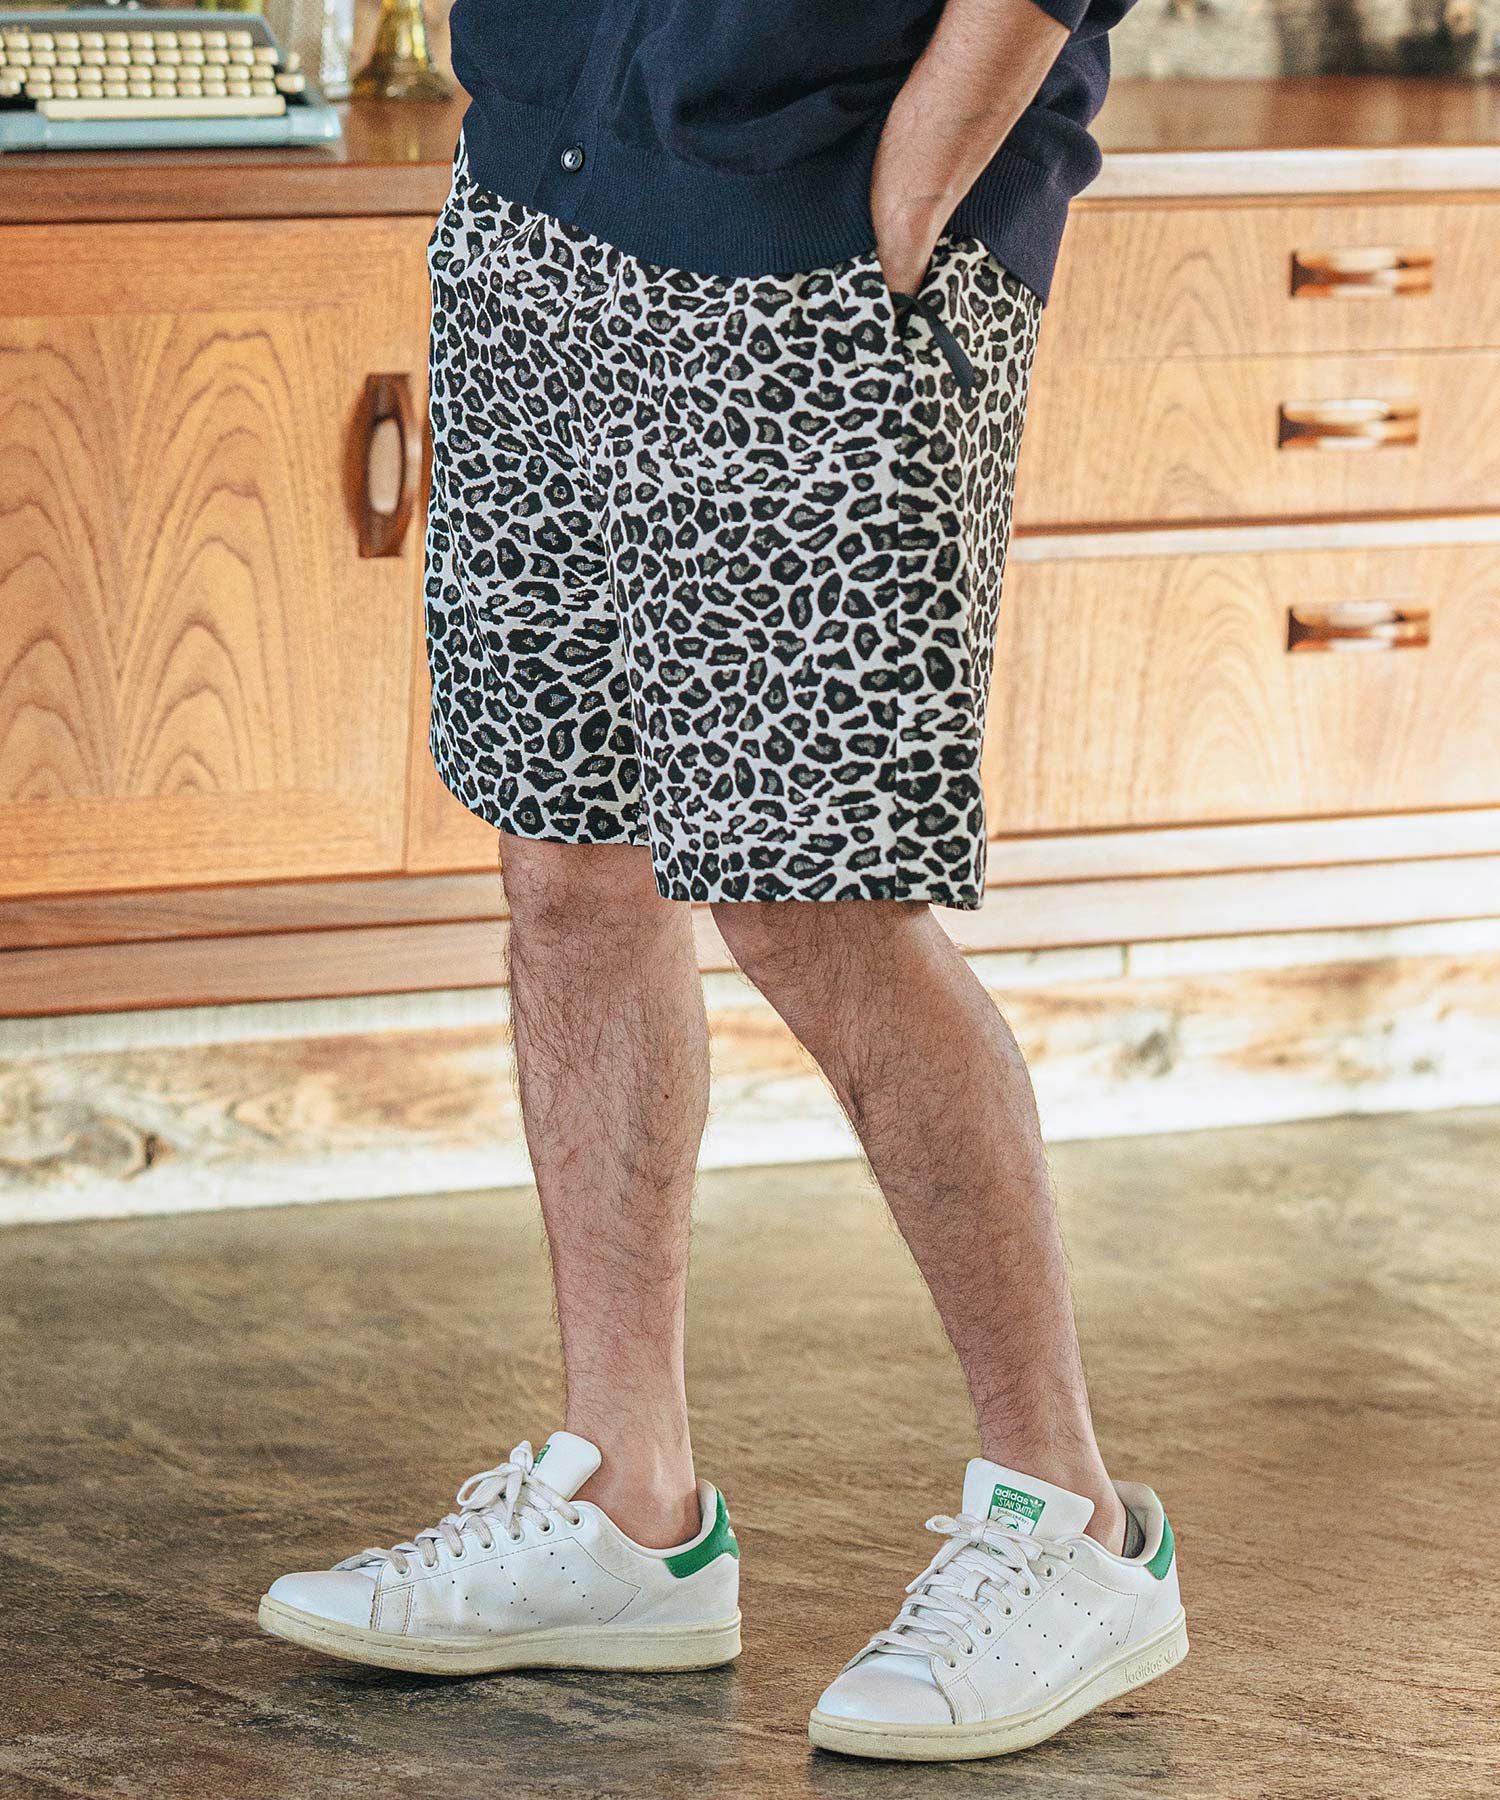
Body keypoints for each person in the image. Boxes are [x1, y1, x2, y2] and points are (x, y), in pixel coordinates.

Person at [259, 0, 1187, 1759]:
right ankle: (630, 1512)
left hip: (817, 245)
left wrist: (912, 191)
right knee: (568, 862)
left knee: (815, 901)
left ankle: (1073, 1520)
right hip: (535, 200)